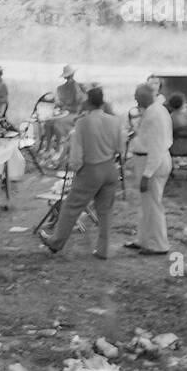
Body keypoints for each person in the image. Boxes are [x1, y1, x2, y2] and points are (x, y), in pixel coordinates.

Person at [38, 88, 126, 259]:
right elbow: (120, 148)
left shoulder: (82, 123)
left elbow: (76, 156)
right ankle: (103, 249)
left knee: (71, 206)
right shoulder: (115, 121)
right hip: (110, 168)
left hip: (91, 168)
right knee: (105, 211)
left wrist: (76, 169)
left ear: (88, 102)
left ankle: (56, 242)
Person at [126, 83, 172, 255]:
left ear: (145, 96)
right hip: (145, 160)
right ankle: (143, 240)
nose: (135, 100)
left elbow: (157, 147)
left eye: (137, 97)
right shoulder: (153, 111)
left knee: (153, 205)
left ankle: (160, 245)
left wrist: (147, 174)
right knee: (145, 204)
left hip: (152, 163)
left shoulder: (155, 114)